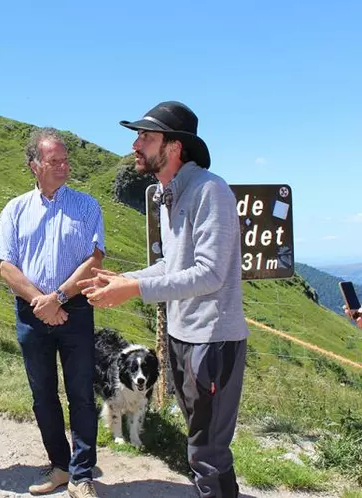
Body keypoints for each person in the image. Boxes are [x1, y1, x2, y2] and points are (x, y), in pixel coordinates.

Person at [79, 101, 249, 498]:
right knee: (207, 445)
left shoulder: (210, 191)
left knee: (204, 450)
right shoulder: (170, 195)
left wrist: (134, 289)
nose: (136, 145)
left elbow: (210, 274)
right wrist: (123, 278)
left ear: (174, 147)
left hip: (213, 340)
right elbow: (168, 267)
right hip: (183, 337)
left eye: (146, 137)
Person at [0, 128, 105, 498]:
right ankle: (60, 466)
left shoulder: (87, 206)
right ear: (34, 165)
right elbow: (5, 265)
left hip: (76, 310)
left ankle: (82, 476)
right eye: (54, 161)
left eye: (66, 160)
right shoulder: (15, 209)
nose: (63, 167)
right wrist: (42, 301)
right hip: (32, 314)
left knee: (82, 393)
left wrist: (59, 298)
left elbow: (95, 259)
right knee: (43, 395)